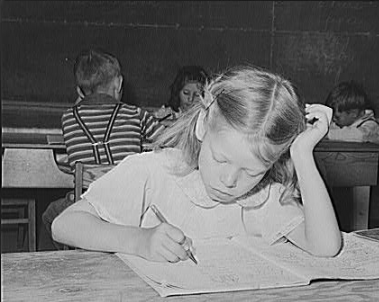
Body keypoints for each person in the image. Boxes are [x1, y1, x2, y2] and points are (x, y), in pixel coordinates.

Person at [52, 65, 342, 262]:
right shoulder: (154, 171)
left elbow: (325, 246)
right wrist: (139, 241)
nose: (230, 180)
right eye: (221, 159)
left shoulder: (263, 196)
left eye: (252, 171)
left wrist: (302, 155)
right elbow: (65, 224)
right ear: (203, 125)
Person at [42, 48, 165, 249]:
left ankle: (65, 261)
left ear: (79, 91)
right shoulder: (135, 114)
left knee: (50, 215)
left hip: (84, 205)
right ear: (118, 84)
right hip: (128, 205)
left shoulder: (69, 118)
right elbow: (168, 138)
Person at [325, 81, 379, 145]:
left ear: (353, 113)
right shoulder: (340, 123)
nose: (333, 119)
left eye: (337, 117)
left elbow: (358, 135)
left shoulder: (371, 126)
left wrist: (326, 135)